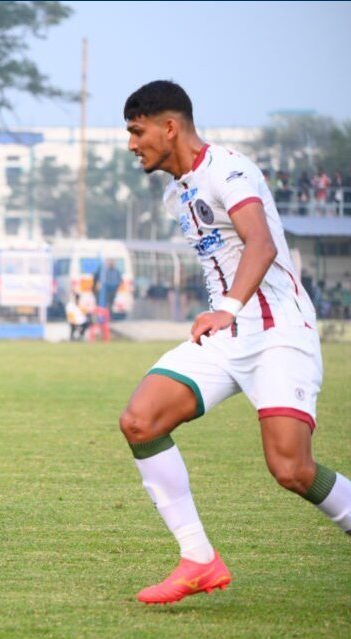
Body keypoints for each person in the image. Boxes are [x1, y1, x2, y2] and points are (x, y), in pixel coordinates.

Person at [120, 80, 350, 605]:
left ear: (169, 127)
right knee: (140, 420)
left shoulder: (229, 170)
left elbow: (261, 243)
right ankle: (199, 559)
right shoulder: (175, 189)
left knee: (291, 469)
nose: (133, 144)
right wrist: (224, 313)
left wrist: (226, 307)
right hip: (227, 333)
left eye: (137, 131)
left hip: (277, 332)